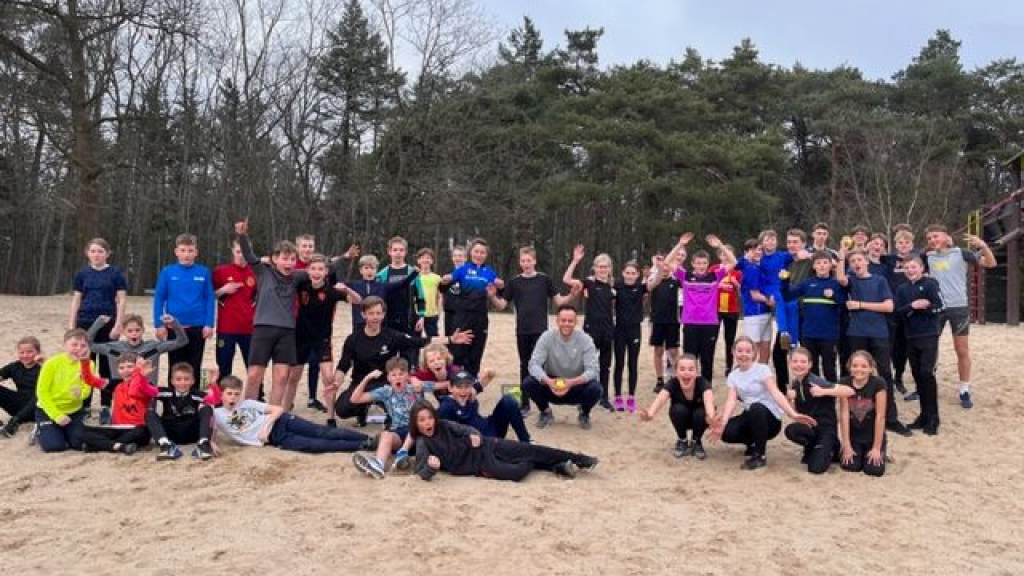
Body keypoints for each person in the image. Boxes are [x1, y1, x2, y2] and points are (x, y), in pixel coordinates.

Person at [326, 296, 472, 427]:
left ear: (383, 314)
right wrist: (336, 383)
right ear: (363, 314)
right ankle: (363, 409)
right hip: (361, 381)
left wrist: (450, 339)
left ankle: (385, 409)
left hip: (387, 383)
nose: (375, 317)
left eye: (378, 313)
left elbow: (419, 341)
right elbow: (343, 366)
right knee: (342, 410)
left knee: (403, 407)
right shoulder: (353, 339)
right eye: (371, 313)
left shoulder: (391, 336)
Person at [410, 402, 599, 482]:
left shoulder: (444, 424)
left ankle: (578, 459)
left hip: (488, 444)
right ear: (415, 424)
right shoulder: (422, 444)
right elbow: (421, 472)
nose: (427, 422)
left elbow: (465, 429)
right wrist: (432, 468)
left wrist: (473, 435)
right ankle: (556, 467)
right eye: (421, 420)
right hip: (479, 465)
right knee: (518, 471)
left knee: (532, 449)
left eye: (429, 418)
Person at [709, 336, 815, 470]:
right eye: (740, 350)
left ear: (754, 353)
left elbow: (775, 392)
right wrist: (723, 422)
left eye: (748, 351)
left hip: (769, 420)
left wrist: (793, 414)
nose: (743, 354)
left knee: (756, 408)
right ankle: (752, 443)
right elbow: (731, 400)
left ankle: (760, 455)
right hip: (751, 415)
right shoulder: (733, 376)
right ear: (733, 352)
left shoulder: (762, 369)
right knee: (726, 432)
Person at [836, 247, 911, 436]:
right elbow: (840, 279)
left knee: (885, 373)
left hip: (878, 332)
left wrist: (861, 305)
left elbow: (888, 306)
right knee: (855, 375)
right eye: (853, 262)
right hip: (856, 333)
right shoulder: (850, 280)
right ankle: (857, 415)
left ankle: (891, 418)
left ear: (867, 261)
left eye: (859, 260)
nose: (857, 264)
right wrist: (841, 258)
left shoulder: (880, 280)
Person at [234, 220, 308, 405]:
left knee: (282, 377)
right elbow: (249, 254)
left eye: (292, 259)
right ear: (275, 259)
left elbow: (322, 267)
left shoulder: (298, 276)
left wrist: (345, 258)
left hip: (287, 331)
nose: (289, 262)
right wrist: (242, 235)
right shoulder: (263, 271)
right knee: (254, 375)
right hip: (263, 329)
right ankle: (248, 414)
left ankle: (272, 417)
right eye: (284, 258)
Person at [924, 225, 997, 409]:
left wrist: (983, 246)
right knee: (930, 349)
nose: (933, 240)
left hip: (959, 308)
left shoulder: (961, 253)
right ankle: (925, 386)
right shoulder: (927, 257)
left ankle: (964, 389)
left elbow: (991, 264)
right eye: (929, 238)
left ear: (946, 237)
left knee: (962, 350)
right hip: (936, 307)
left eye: (936, 236)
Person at [499, 246, 576, 415]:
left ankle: (543, 403)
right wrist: (491, 295)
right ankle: (524, 404)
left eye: (529, 260)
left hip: (541, 332)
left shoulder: (544, 280)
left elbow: (560, 302)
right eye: (523, 261)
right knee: (524, 366)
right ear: (520, 262)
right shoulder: (514, 282)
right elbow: (502, 304)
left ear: (534, 261)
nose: (526, 263)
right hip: (522, 331)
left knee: (540, 367)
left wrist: (572, 294)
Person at [212, 375, 374, 454]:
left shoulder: (247, 403)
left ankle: (368, 439)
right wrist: (211, 442)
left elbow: (278, 409)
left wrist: (265, 426)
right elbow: (209, 423)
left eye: (236, 394)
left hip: (281, 422)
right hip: (276, 439)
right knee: (315, 445)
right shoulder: (217, 414)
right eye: (229, 394)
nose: (233, 397)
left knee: (323, 432)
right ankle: (363, 445)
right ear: (222, 394)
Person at [286, 254, 360, 412]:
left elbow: (358, 300)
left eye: (320, 269)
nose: (317, 272)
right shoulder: (301, 286)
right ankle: (284, 411)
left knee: (328, 377)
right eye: (313, 268)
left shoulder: (332, 291)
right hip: (300, 339)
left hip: (322, 341)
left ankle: (331, 416)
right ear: (307, 270)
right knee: (293, 377)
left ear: (326, 272)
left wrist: (346, 289)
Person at [349, 358, 443, 479]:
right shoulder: (386, 392)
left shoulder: (415, 388)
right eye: (393, 375)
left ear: (407, 376)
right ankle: (379, 465)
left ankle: (402, 459)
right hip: (399, 434)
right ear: (388, 378)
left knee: (414, 427)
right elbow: (355, 399)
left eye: (401, 374)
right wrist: (367, 378)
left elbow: (443, 385)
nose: (397, 378)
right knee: (386, 435)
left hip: (418, 432)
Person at [69, 238, 127, 423]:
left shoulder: (115, 273)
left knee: (106, 367)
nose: (97, 255)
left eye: (100, 251)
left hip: (108, 323)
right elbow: (76, 300)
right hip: (85, 322)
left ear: (107, 254)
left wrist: (119, 324)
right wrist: (73, 325)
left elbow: (122, 301)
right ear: (87, 253)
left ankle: (105, 406)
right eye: (93, 251)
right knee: (86, 364)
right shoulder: (82, 274)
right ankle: (84, 405)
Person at [666, 233, 734, 386]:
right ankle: (689, 388)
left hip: (709, 324)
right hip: (690, 323)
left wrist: (720, 245)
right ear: (693, 264)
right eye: (698, 263)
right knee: (690, 360)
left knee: (707, 360)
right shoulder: (685, 276)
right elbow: (667, 261)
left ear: (708, 264)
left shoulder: (714, 277)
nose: (701, 266)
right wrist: (679, 244)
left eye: (704, 263)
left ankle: (706, 390)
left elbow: (733, 261)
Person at [522, 305, 603, 430]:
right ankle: (545, 411)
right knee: (528, 382)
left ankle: (584, 413)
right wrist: (548, 381)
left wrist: (571, 383)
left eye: (570, 321)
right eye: (563, 320)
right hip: (552, 383)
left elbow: (593, 370)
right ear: (557, 321)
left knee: (596, 388)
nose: (566, 324)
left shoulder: (586, 340)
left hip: (575, 383)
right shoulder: (546, 337)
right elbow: (534, 364)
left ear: (576, 322)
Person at [35, 329, 109, 452]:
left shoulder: (89, 364)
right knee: (55, 446)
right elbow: (42, 393)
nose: (78, 348)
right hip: (48, 410)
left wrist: (80, 395)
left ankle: (64, 431)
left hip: (74, 411)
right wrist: (56, 415)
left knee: (78, 443)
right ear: (64, 345)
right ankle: (40, 430)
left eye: (83, 345)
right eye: (74, 345)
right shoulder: (51, 363)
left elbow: (87, 390)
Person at [893, 255, 944, 434]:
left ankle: (933, 417)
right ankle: (923, 415)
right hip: (910, 336)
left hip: (929, 335)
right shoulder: (902, 289)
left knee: (926, 374)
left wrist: (926, 307)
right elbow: (897, 313)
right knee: (917, 375)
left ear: (922, 268)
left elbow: (940, 307)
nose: (910, 270)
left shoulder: (930, 284)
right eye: (907, 268)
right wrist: (913, 306)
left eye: (914, 267)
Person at [563, 244, 615, 412]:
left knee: (605, 366)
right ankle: (582, 397)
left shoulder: (613, 288)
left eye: (605, 266)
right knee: (586, 366)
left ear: (610, 269)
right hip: (591, 330)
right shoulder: (588, 283)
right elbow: (566, 280)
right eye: (600, 266)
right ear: (595, 268)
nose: (602, 269)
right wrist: (575, 261)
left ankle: (604, 398)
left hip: (608, 331)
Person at [784, 348, 852, 474]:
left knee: (815, 468)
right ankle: (812, 447)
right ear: (790, 363)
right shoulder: (795, 384)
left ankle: (832, 448)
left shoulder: (815, 380)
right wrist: (790, 399)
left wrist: (824, 391)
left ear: (810, 364)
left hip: (826, 429)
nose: (799, 365)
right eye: (795, 361)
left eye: (803, 362)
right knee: (791, 430)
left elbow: (848, 391)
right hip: (811, 428)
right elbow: (796, 414)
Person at [442, 238, 504, 375]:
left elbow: (498, 289)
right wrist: (446, 279)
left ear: (486, 255)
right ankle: (454, 384)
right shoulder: (463, 270)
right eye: (476, 251)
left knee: (476, 353)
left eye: (482, 252)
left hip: (480, 318)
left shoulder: (489, 272)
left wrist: (500, 285)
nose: (479, 255)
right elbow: (447, 281)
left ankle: (471, 385)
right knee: (457, 352)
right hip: (462, 317)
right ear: (471, 253)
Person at [782, 251, 845, 382]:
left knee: (829, 367)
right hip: (808, 334)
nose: (822, 266)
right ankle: (814, 396)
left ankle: (830, 396)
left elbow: (844, 304)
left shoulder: (836, 284)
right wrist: (785, 281)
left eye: (825, 263)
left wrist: (834, 296)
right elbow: (787, 296)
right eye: (818, 263)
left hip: (829, 335)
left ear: (830, 266)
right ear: (814, 266)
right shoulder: (807, 283)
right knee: (811, 368)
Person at [638, 354, 717, 460]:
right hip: (681, 418)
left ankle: (696, 441)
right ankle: (682, 440)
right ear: (676, 372)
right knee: (677, 410)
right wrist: (650, 414)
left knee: (701, 413)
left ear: (697, 373)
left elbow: (708, 401)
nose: (686, 372)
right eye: (682, 369)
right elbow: (661, 399)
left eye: (691, 369)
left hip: (699, 420)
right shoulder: (673, 383)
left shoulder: (703, 383)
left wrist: (711, 418)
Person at [80, 355, 156, 454]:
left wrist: (138, 373)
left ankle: (103, 446)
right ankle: (119, 446)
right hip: (118, 428)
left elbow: (135, 391)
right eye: (121, 368)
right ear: (117, 370)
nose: (126, 370)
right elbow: (90, 380)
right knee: (83, 434)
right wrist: (84, 361)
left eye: (130, 366)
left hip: (137, 429)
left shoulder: (146, 385)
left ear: (138, 367)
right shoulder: (116, 384)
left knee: (141, 432)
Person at [88, 314, 188, 386]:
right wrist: (99, 323)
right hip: (123, 394)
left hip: (147, 392)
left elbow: (182, 341)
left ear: (143, 330)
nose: (134, 333)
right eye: (130, 331)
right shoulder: (113, 348)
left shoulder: (153, 347)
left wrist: (174, 323)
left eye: (137, 330)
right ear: (123, 332)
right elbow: (88, 344)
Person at [147, 362, 217, 460]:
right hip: (171, 433)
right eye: (178, 379)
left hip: (191, 433)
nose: (182, 383)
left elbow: (216, 400)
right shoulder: (166, 392)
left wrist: (213, 384)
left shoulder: (196, 394)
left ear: (193, 381)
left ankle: (203, 445)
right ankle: (166, 446)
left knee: (207, 408)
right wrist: (141, 376)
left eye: (186, 379)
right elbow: (144, 390)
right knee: (149, 413)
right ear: (172, 381)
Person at [438, 369, 531, 442]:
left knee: (508, 400)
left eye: (467, 386)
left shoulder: (469, 394)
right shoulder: (447, 406)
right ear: (450, 388)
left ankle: (526, 442)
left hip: (491, 427)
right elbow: (442, 432)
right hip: (481, 441)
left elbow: (484, 381)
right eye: (459, 387)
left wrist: (489, 374)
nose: (463, 390)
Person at [212, 240, 256, 389]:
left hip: (250, 328)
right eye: (238, 252)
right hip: (226, 328)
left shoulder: (256, 272)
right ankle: (221, 397)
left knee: (253, 366)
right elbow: (208, 295)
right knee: (224, 365)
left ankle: (258, 395)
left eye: (244, 252)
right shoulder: (220, 271)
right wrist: (223, 290)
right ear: (232, 251)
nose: (241, 256)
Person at [376, 236, 426, 367]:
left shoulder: (413, 273)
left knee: (409, 353)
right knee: (388, 353)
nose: (398, 253)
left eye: (401, 250)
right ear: (389, 252)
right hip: (388, 319)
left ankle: (409, 381)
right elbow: (377, 298)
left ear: (405, 252)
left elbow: (420, 296)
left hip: (409, 319)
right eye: (395, 250)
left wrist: (421, 316)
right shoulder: (382, 275)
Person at [838, 351, 888, 477]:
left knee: (874, 470)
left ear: (871, 368)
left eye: (864, 366)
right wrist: (847, 445)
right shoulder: (844, 383)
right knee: (850, 466)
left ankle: (883, 448)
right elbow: (844, 414)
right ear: (849, 367)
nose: (859, 369)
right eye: (855, 365)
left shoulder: (878, 384)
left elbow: (880, 416)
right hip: (854, 436)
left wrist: (877, 447)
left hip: (872, 435)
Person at [612, 260, 646, 412]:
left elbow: (655, 281)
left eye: (633, 273)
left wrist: (658, 266)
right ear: (623, 273)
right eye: (628, 273)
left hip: (635, 330)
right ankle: (618, 396)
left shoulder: (641, 287)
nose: (630, 276)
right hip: (619, 329)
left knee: (633, 364)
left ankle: (631, 397)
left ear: (637, 275)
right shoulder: (617, 286)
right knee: (619, 363)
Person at [646, 254, 681, 392]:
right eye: (663, 265)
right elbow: (649, 286)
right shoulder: (654, 280)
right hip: (657, 321)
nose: (665, 268)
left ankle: (676, 377)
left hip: (672, 321)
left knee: (673, 351)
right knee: (658, 350)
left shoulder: (676, 281)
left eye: (668, 265)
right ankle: (660, 380)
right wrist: (658, 267)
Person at [737, 239, 774, 363]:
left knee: (765, 347)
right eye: (753, 250)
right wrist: (770, 301)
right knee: (752, 349)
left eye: (759, 249)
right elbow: (755, 295)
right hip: (754, 314)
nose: (757, 252)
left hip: (766, 313)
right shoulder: (750, 269)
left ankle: (762, 375)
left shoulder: (759, 267)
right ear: (747, 252)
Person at [0, 336, 43, 437]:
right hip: (19, 406)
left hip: (37, 409)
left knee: (40, 394)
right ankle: (13, 421)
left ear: (38, 352)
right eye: (22, 352)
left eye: (30, 352)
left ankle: (14, 422)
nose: (25, 355)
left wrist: (44, 362)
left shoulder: (44, 368)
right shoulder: (15, 366)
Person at [710, 246, 742, 374]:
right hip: (715, 309)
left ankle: (729, 367)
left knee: (730, 340)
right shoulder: (713, 269)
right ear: (719, 255)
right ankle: (708, 364)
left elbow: (741, 292)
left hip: (732, 310)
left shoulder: (737, 272)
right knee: (712, 339)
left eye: (728, 254)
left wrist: (736, 284)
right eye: (723, 254)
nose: (725, 256)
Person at [415, 248, 443, 338]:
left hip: (432, 315)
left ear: (432, 261)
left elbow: (440, 296)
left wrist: (438, 312)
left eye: (428, 258)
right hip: (417, 314)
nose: (425, 260)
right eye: (423, 257)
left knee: (433, 340)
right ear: (418, 260)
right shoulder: (414, 277)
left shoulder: (437, 278)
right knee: (416, 340)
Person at [441, 245, 467, 337]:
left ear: (465, 258)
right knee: (449, 340)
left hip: (465, 313)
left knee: (463, 341)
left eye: (460, 256)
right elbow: (441, 291)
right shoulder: (447, 272)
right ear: (452, 258)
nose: (457, 258)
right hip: (450, 313)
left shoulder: (470, 273)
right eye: (455, 256)